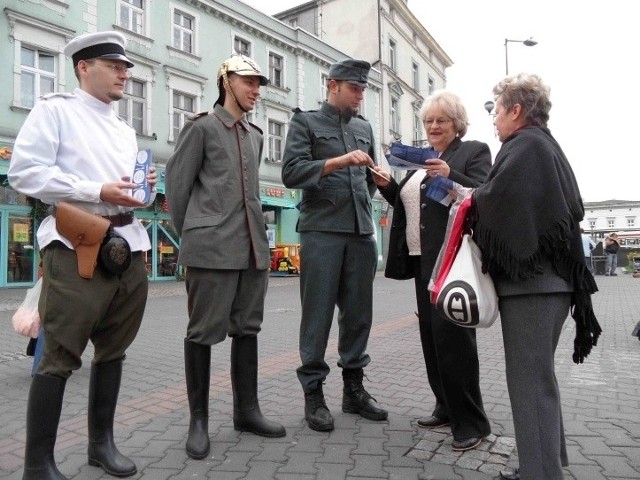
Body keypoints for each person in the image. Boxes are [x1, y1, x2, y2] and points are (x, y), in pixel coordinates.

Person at [9, 31, 156, 479]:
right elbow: (25, 173)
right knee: (60, 354)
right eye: (114, 65)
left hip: (127, 244)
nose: (124, 74)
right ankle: (38, 463)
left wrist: (139, 194)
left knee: (114, 350)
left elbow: (126, 186)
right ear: (83, 67)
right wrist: (95, 190)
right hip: (76, 244)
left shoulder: (124, 127)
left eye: (126, 67)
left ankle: (101, 445)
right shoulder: (55, 111)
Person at [470, 73, 601, 480]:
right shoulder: (544, 143)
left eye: (496, 110)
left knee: (529, 383)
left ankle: (540, 474)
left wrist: (469, 197)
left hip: (534, 285)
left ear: (516, 110)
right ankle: (543, 465)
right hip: (550, 283)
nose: (493, 119)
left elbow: (500, 200)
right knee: (538, 379)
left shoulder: (525, 145)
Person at [165, 54, 286, 460]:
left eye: (258, 84)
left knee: (247, 327)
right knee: (203, 332)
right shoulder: (201, 127)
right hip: (211, 248)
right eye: (248, 81)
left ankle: (246, 411)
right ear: (226, 80)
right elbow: (178, 188)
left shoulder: (255, 134)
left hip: (252, 247)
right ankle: (198, 420)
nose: (255, 90)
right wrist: (198, 233)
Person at [371, 91, 492, 451]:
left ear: (457, 123)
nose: (434, 126)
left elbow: (484, 193)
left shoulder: (472, 152)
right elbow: (419, 204)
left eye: (441, 120)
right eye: (428, 121)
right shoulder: (425, 159)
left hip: (452, 260)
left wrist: (451, 173)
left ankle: (471, 421)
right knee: (432, 340)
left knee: (455, 343)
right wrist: (389, 188)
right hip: (422, 261)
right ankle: (444, 405)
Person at [281, 58, 388, 432]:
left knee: (358, 315)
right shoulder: (305, 122)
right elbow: (291, 172)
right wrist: (337, 161)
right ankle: (314, 394)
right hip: (322, 230)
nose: (361, 95)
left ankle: (353, 390)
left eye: (363, 89)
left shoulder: (363, 127)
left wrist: (376, 179)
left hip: (360, 231)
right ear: (333, 85)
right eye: (355, 88)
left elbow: (368, 179)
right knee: (318, 315)